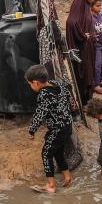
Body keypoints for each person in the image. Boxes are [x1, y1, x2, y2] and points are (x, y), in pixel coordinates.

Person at [26, 64, 74, 193]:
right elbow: (69, 100)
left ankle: (51, 185)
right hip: (67, 125)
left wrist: (32, 130)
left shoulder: (44, 95)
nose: (30, 87)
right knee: (58, 151)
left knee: (46, 153)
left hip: (56, 129)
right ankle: (67, 176)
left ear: (35, 83)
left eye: (30, 84)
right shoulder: (59, 85)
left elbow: (40, 114)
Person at [65, 0, 99, 105]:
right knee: (83, 75)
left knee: (89, 72)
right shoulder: (78, 7)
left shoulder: (86, 7)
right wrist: (83, 35)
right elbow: (71, 23)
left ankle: (87, 100)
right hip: (81, 49)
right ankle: (83, 101)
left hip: (89, 48)